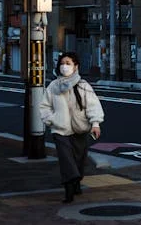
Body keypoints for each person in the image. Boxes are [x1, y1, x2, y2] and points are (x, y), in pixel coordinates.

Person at [40, 52, 104, 203]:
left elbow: (93, 105)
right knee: (66, 159)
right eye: (62, 63)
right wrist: (51, 120)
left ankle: (76, 181)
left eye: (68, 63)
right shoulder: (54, 86)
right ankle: (68, 190)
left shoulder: (83, 85)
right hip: (60, 129)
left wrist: (95, 124)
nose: (64, 66)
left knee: (79, 159)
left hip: (80, 128)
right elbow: (44, 106)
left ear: (76, 66)